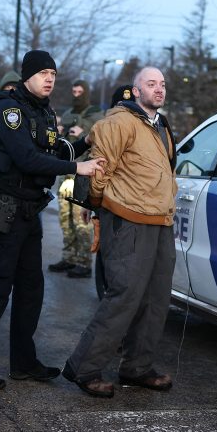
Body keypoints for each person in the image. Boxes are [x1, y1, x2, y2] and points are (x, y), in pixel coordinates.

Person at [0, 50, 105, 391]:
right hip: (4, 210)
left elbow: (53, 151)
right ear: (27, 76)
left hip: (29, 210)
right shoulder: (8, 110)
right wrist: (78, 168)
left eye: (53, 73)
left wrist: (84, 142)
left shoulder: (43, 111)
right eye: (43, 73)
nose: (49, 79)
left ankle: (24, 363)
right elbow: (27, 158)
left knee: (31, 289)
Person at [63, 67, 177, 398]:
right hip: (128, 219)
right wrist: (101, 208)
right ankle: (84, 367)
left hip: (160, 221)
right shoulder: (119, 121)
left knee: (156, 298)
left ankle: (137, 367)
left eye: (162, 84)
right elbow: (100, 170)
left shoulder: (161, 125)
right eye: (151, 84)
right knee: (124, 295)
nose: (159, 89)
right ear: (136, 91)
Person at [49, 79, 103, 279]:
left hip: (83, 174)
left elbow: (101, 138)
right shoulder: (68, 114)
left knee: (81, 221)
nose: (76, 95)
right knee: (65, 219)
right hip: (67, 173)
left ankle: (83, 261)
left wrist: (84, 133)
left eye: (80, 92)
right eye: (74, 91)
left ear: (86, 92)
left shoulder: (95, 115)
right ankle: (69, 257)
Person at [93, 84, 135, 300]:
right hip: (111, 205)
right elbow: (100, 169)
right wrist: (93, 205)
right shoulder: (106, 128)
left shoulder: (144, 132)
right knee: (109, 257)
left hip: (132, 207)